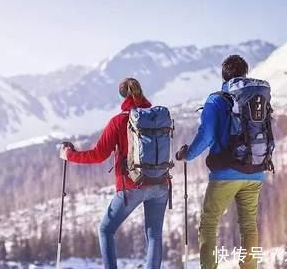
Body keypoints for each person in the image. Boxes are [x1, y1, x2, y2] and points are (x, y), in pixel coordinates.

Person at [59, 78, 169, 269]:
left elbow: (98, 154)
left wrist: (69, 155)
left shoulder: (118, 121)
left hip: (132, 186)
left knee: (106, 230)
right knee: (154, 236)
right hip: (160, 183)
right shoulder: (157, 117)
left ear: (122, 96)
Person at [176, 55, 267, 269]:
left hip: (226, 172)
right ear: (245, 73)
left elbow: (206, 135)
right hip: (254, 171)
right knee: (248, 226)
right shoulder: (257, 99)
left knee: (209, 224)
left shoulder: (216, 100)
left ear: (223, 74)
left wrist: (187, 155)